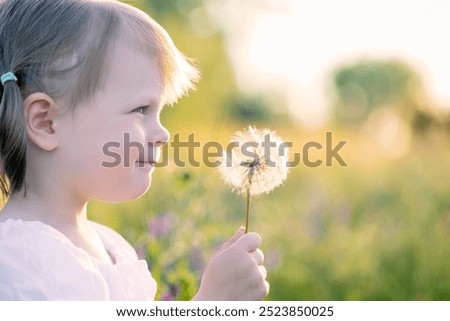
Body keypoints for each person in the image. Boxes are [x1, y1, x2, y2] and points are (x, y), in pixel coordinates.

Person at [0, 0, 268, 300]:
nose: (163, 134)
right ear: (45, 122)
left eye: (159, 111)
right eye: (141, 109)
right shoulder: (16, 263)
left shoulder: (113, 247)